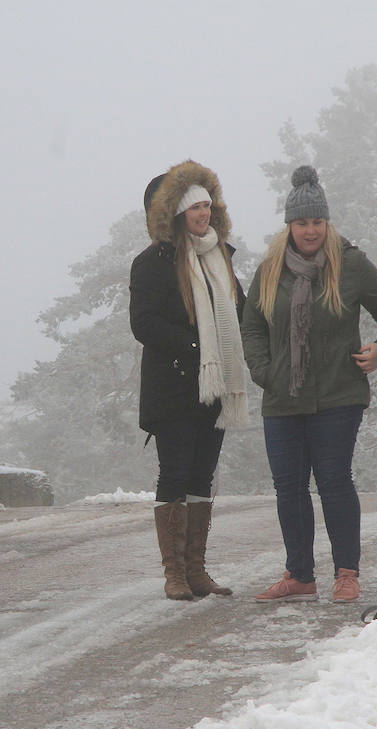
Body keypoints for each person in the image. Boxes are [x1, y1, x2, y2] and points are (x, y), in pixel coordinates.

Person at [242, 166, 377, 603]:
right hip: (282, 397)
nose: (310, 230)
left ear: (326, 222)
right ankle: (300, 575)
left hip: (338, 394)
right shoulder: (271, 268)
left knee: (333, 481)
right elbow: (251, 324)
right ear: (289, 225)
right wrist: (263, 370)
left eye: (317, 221)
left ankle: (347, 573)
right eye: (301, 222)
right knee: (289, 486)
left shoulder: (350, 263)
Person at [129, 160, 247, 600]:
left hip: (214, 389)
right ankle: (174, 573)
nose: (206, 213)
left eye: (209, 205)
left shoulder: (221, 256)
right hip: (175, 387)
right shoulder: (153, 263)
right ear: (178, 213)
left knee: (203, 476)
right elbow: (144, 324)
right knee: (175, 474)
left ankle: (197, 571)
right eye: (197, 207)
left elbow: (242, 311)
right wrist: (198, 349)